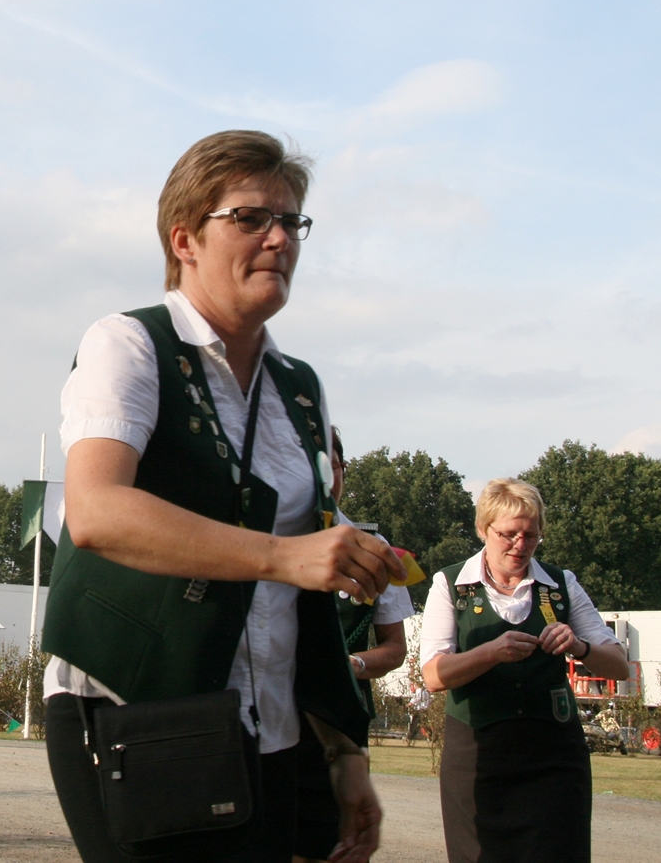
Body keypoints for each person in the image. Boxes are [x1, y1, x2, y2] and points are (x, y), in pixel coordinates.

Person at [41, 131, 405, 863]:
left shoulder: (300, 387)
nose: (279, 238)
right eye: (250, 218)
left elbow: (303, 599)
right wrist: (285, 555)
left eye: (291, 221)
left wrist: (344, 751)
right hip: (136, 713)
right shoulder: (129, 344)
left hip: (270, 730)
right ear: (184, 239)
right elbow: (97, 510)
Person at [421, 479, 630, 863]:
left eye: (531, 536)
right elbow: (433, 676)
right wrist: (490, 653)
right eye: (508, 535)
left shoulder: (561, 584)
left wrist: (579, 646)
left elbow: (619, 666)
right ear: (483, 529)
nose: (520, 545)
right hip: (477, 758)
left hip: (554, 758)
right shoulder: (451, 585)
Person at [293, 431, 412, 863]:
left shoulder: (376, 551)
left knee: (331, 838)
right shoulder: (264, 538)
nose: (327, 479)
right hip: (270, 710)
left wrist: (353, 664)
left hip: (340, 715)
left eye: (334, 467)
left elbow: (395, 648)